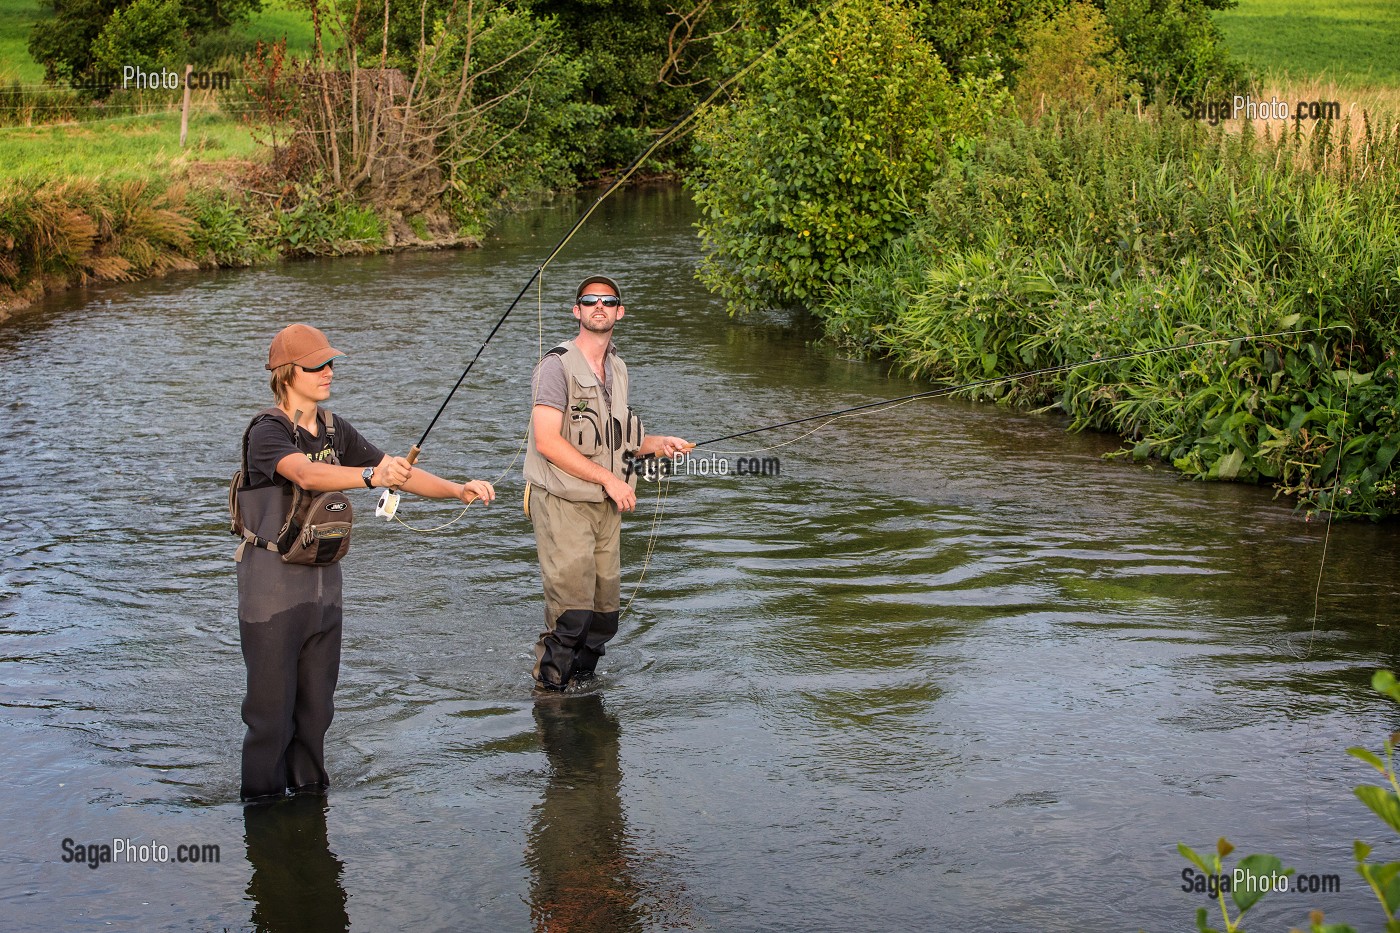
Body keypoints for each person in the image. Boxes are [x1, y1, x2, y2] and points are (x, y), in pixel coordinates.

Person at [235, 323, 495, 800]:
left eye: (330, 362)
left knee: (316, 715)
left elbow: (399, 473)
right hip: (271, 597)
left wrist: (457, 489)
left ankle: (311, 801)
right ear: (288, 373)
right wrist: (371, 475)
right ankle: (264, 818)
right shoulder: (266, 431)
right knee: (270, 719)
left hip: (324, 594)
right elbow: (306, 474)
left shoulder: (335, 429)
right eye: (317, 365)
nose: (328, 371)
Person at [523, 276, 689, 691]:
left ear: (620, 312)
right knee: (571, 616)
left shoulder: (618, 367)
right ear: (576, 311)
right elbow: (547, 441)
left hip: (606, 506)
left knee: (602, 619)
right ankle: (550, 700)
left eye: (608, 300)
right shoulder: (555, 366)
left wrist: (657, 445)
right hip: (563, 503)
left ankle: (581, 692)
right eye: (590, 300)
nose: (600, 305)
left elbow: (620, 442)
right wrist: (609, 481)